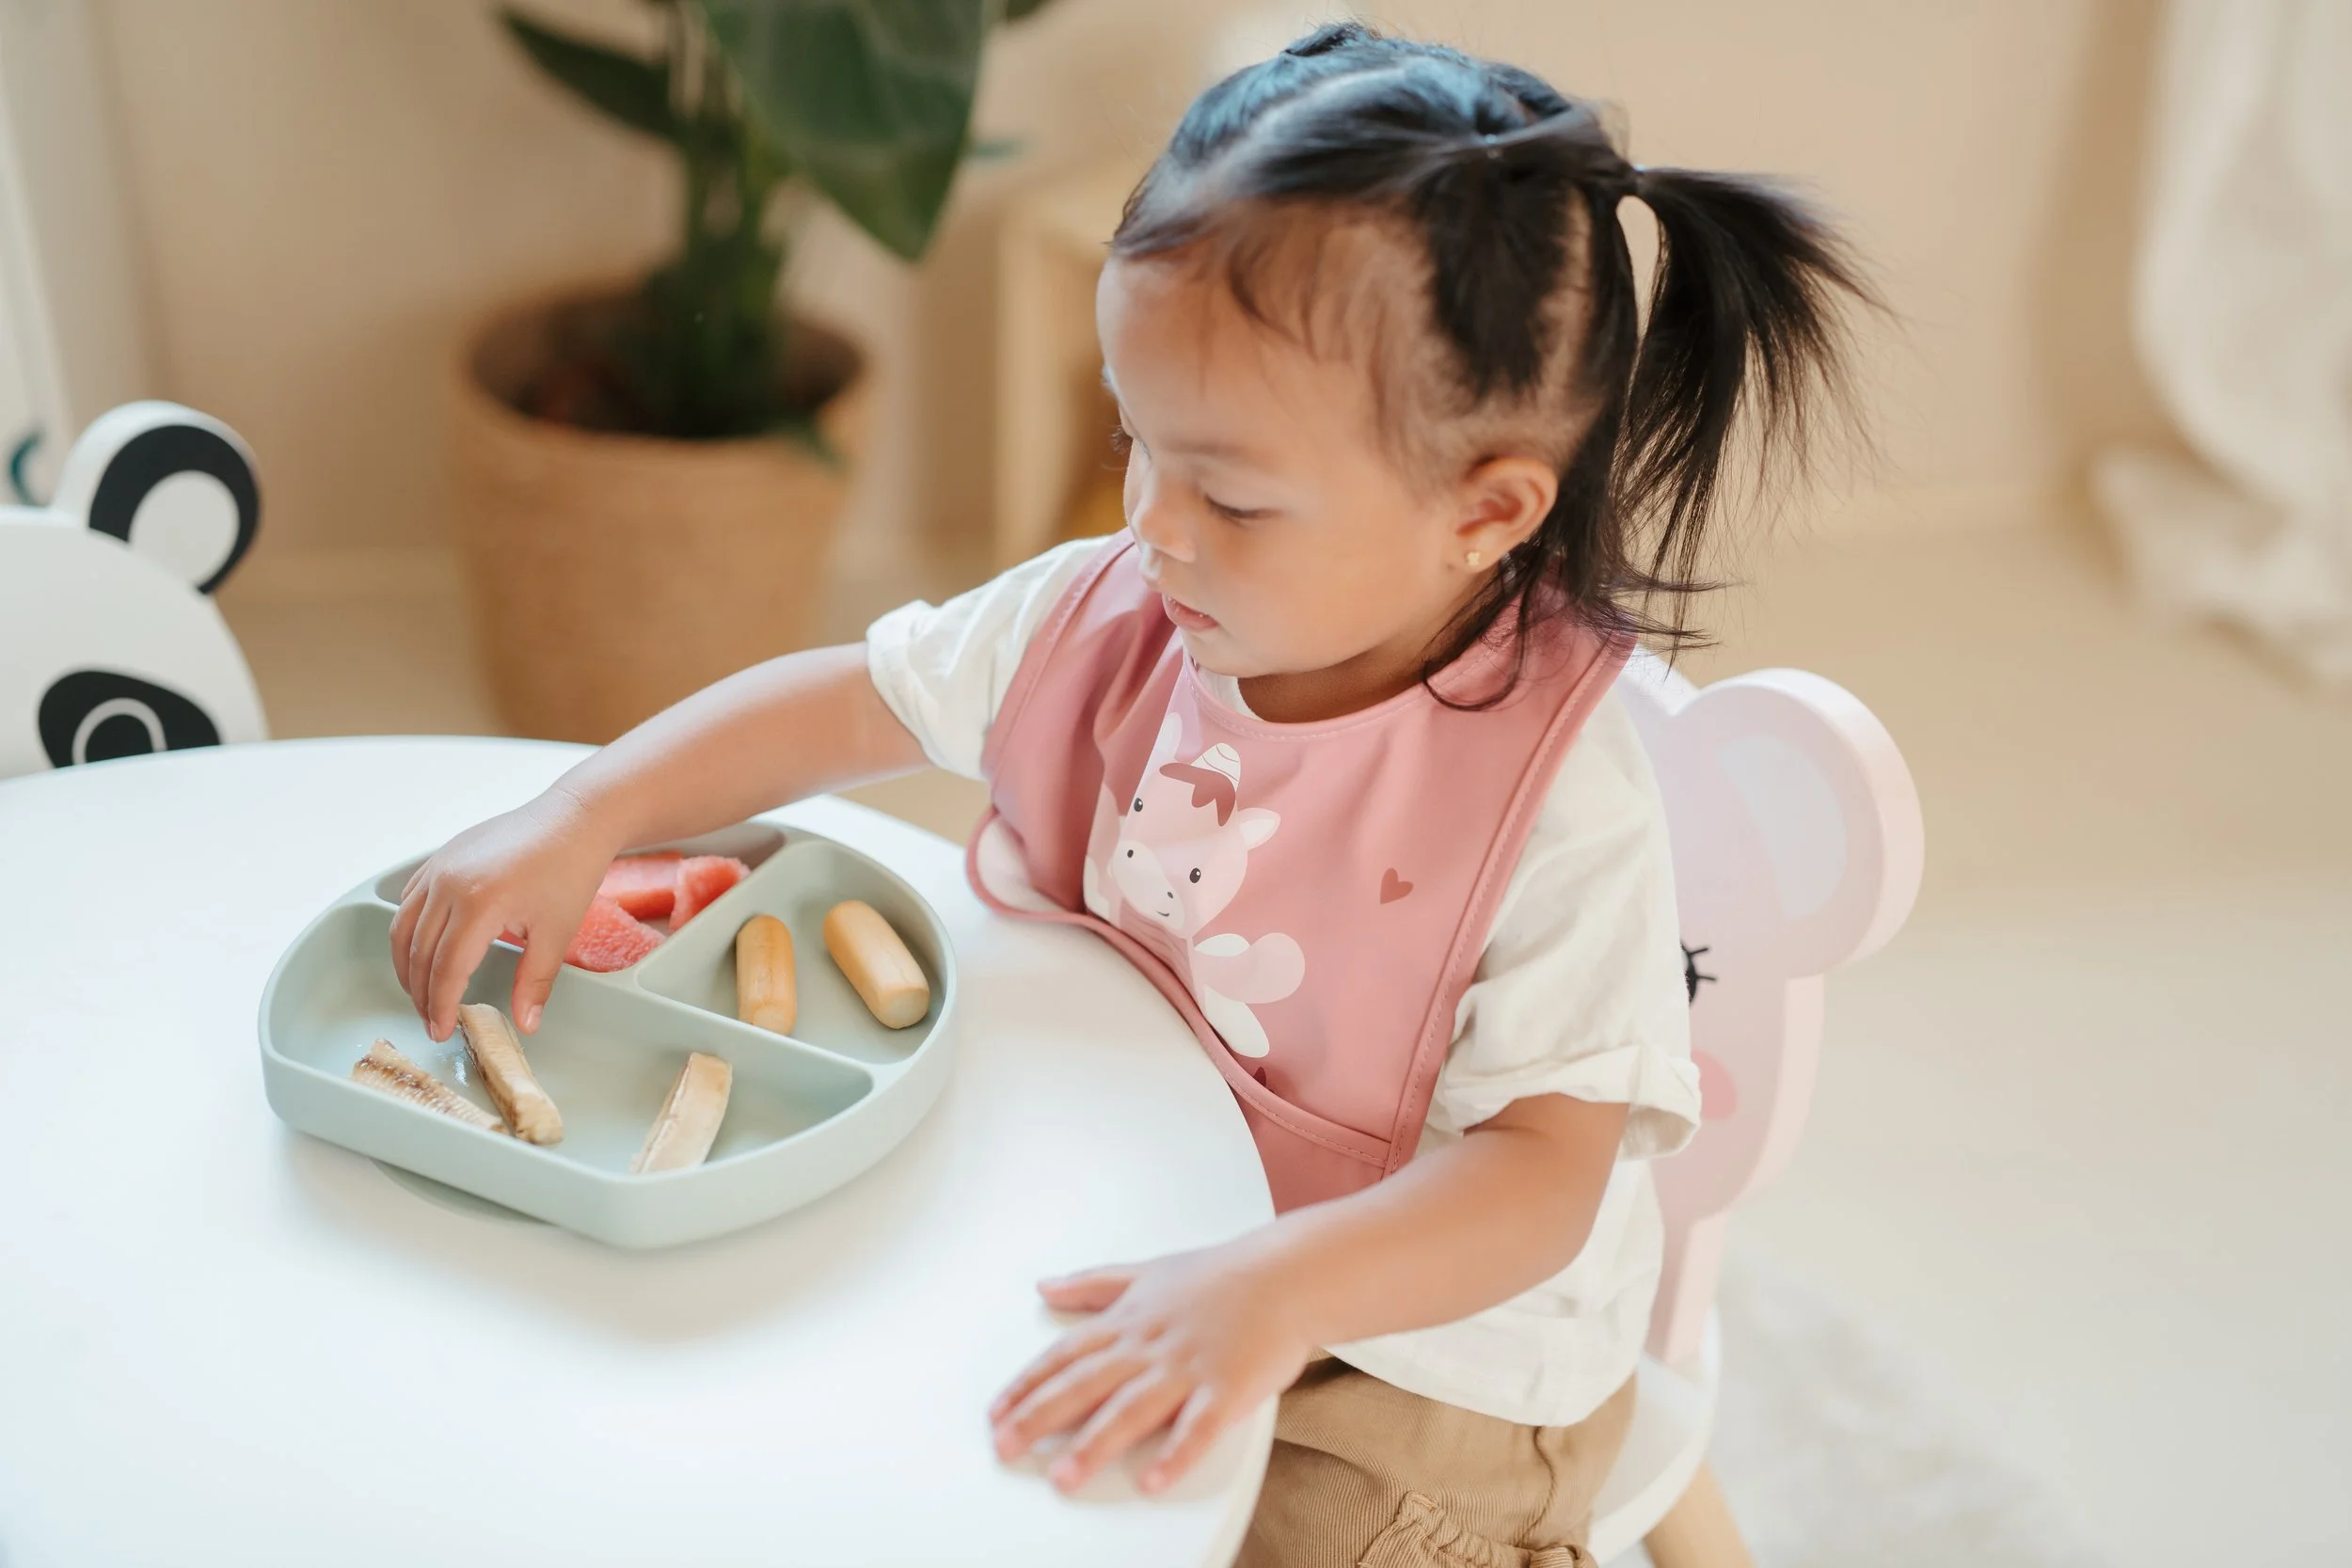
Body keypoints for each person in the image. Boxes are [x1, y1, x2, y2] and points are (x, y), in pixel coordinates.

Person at [391, 23, 1867, 1564]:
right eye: (1130, 434)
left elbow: (1540, 1181)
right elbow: (851, 698)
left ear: (1481, 512)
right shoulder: (1114, 609)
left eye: (1228, 490)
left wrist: (1277, 1291)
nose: (1149, 519)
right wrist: (588, 811)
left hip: (1413, 1366)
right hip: (1108, 1183)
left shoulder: (1561, 808)